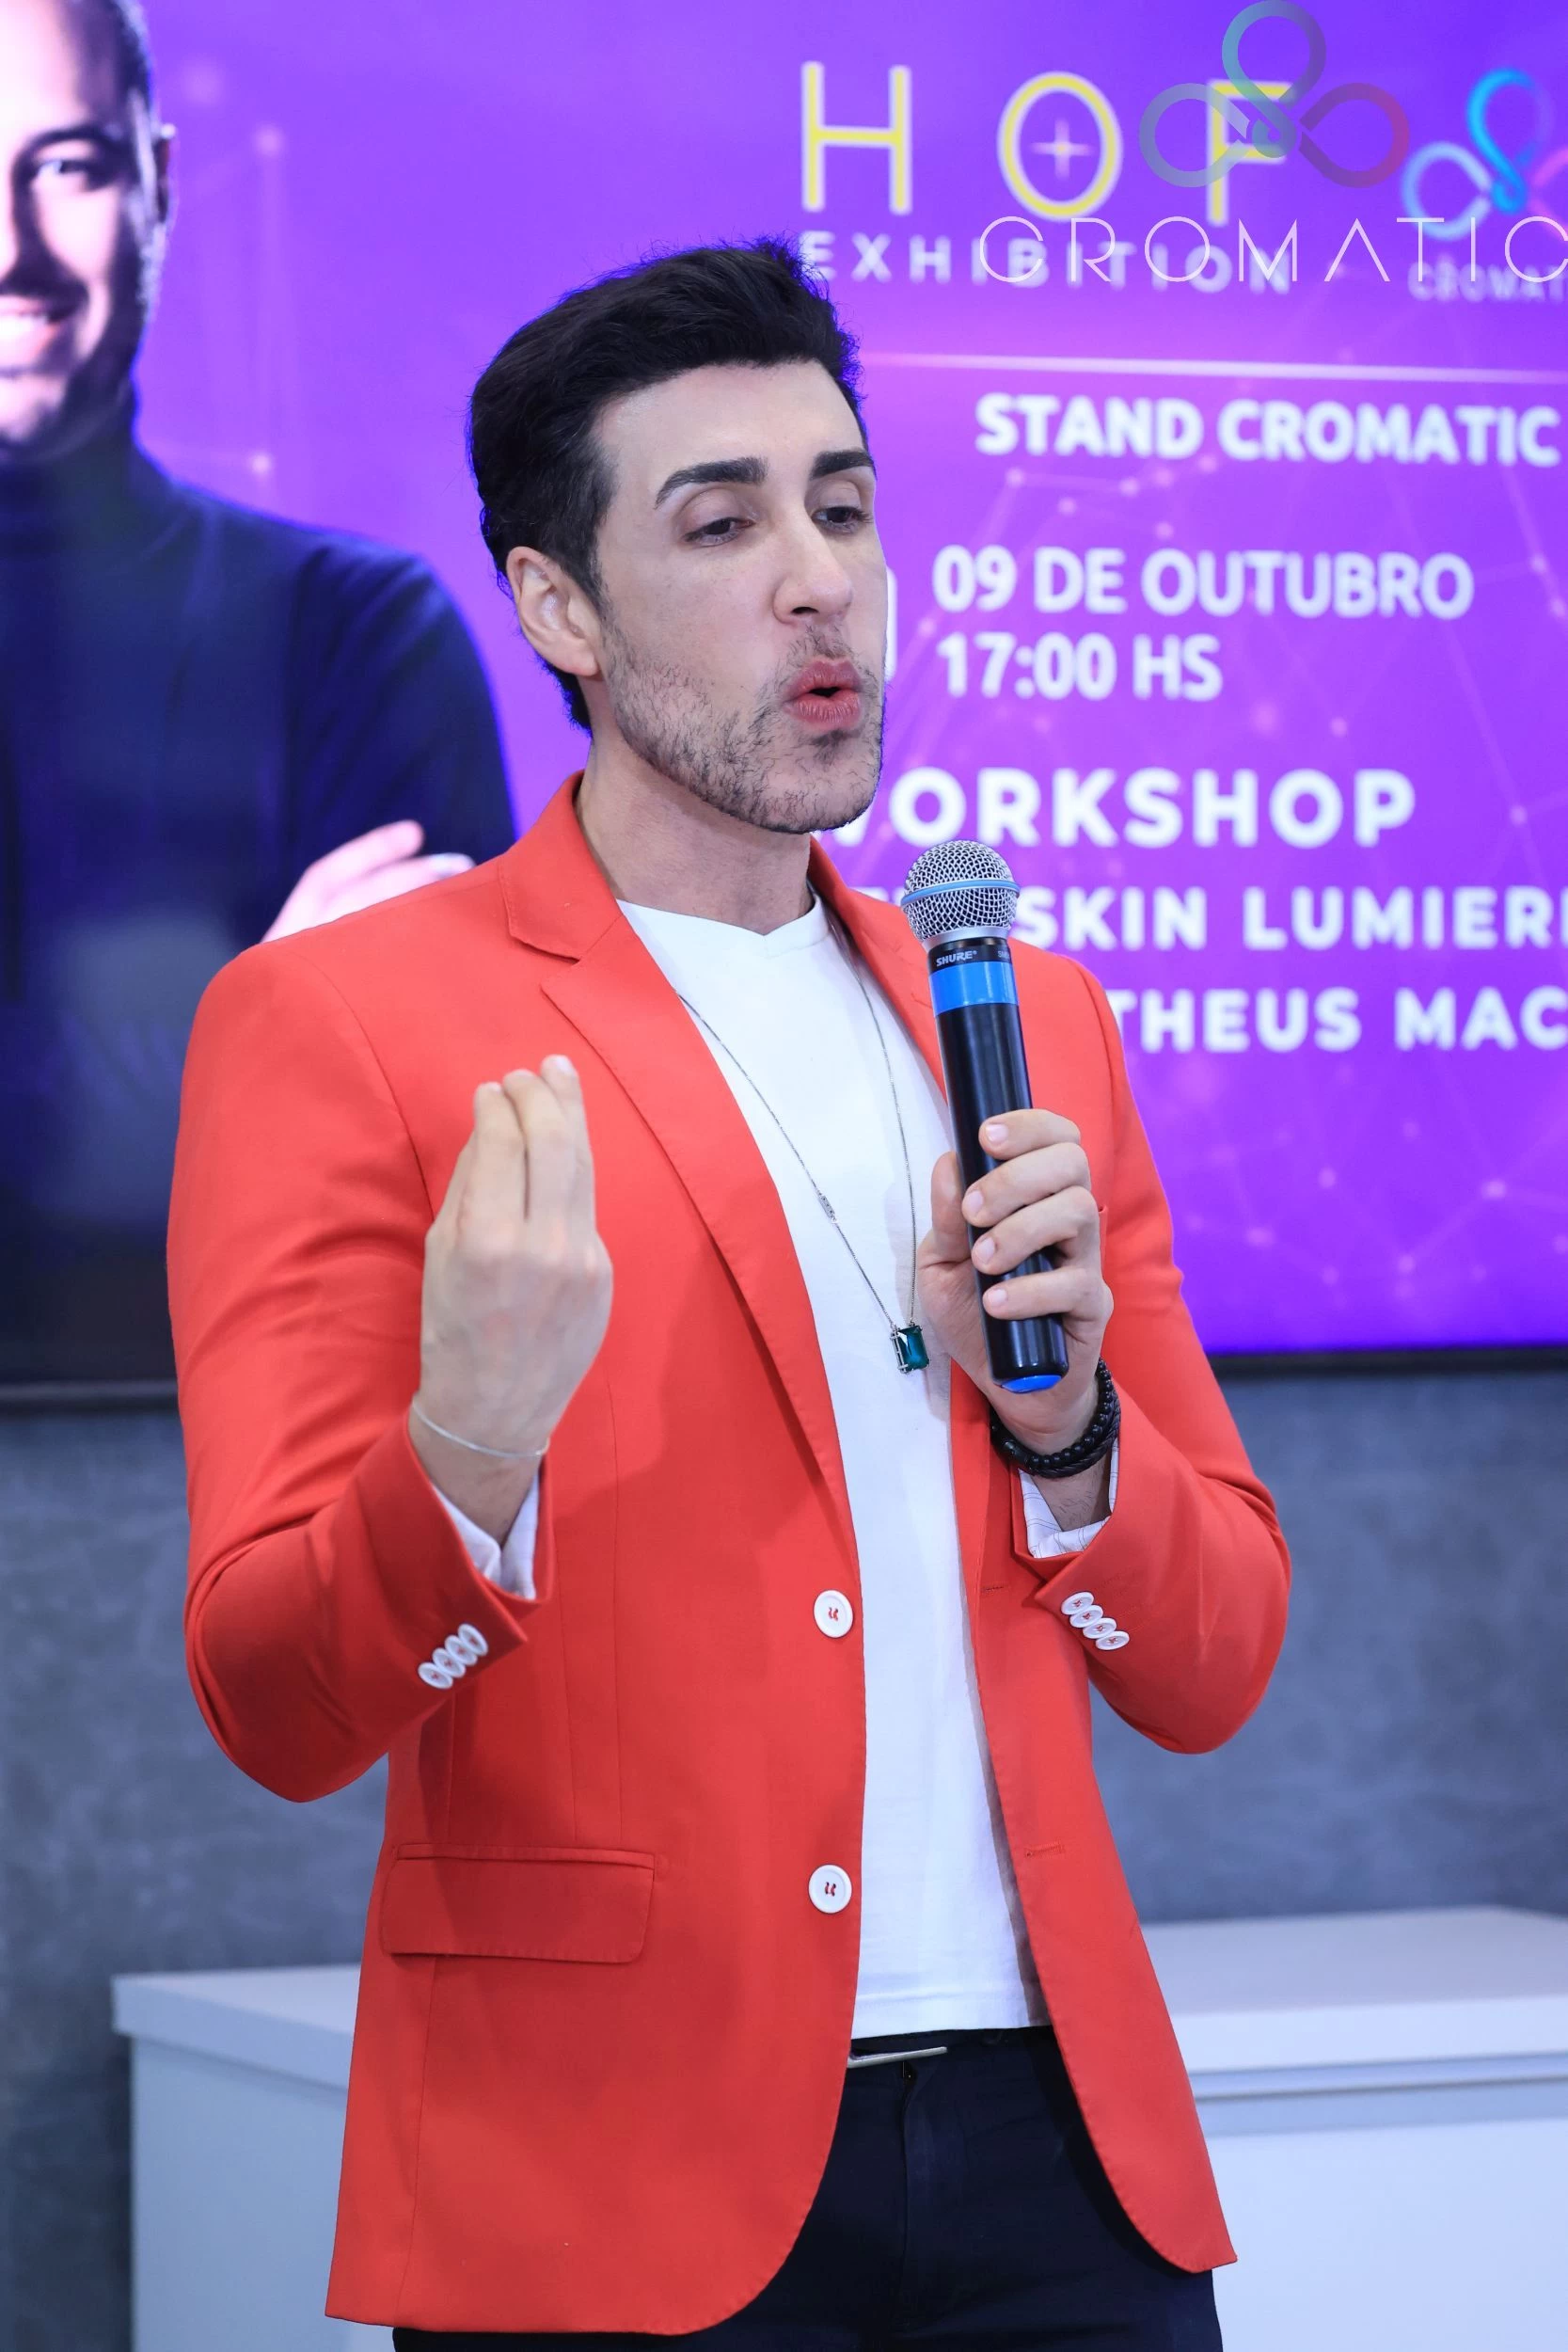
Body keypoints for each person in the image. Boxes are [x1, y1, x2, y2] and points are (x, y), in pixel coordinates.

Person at [169, 238, 1291, 2346]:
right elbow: (273, 1703)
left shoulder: (1028, 1019)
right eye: (722, 522)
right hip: (600, 2160)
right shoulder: (339, 1024)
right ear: (557, 610)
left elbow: (1214, 1658)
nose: (819, 581)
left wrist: (1068, 1435)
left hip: (1062, 2162)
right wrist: (468, 1441)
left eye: (842, 506)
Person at [0, 0, 515, 1386]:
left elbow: (421, 1133)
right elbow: (302, 1098)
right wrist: (258, 1032)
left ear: (158, 184)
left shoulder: (354, 634)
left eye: (65, 167)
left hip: (241, 1461)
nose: (12, 252)